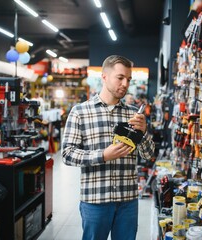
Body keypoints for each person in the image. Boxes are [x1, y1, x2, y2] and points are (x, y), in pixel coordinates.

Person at [62, 55, 155, 240]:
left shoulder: (133, 114)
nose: (125, 84)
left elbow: (148, 154)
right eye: (120, 78)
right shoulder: (80, 112)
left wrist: (143, 132)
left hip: (127, 200)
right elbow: (67, 154)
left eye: (128, 79)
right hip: (95, 200)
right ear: (104, 76)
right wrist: (103, 155)